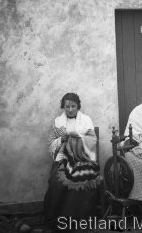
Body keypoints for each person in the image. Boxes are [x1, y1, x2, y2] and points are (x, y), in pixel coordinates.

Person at [43, 93, 102, 222]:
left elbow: (92, 140)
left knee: (85, 176)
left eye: (73, 106)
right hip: (63, 157)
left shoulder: (86, 120)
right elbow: (51, 144)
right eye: (67, 106)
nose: (70, 109)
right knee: (56, 181)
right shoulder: (58, 122)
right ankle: (59, 218)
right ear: (63, 107)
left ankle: (82, 217)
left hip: (83, 157)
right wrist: (61, 139)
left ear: (78, 106)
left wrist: (78, 138)